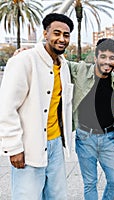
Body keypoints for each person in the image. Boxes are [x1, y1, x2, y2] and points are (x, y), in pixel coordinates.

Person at [0, 13, 74, 199]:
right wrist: (14, 147)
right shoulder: (24, 60)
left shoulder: (63, 65)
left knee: (57, 196)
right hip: (29, 144)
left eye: (66, 35)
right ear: (45, 33)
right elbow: (6, 107)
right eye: (56, 33)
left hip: (56, 143)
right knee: (28, 196)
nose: (61, 39)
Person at [69, 38, 114, 200]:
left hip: (109, 137)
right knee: (90, 183)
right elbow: (56, 61)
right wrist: (27, 53)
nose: (107, 62)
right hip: (84, 137)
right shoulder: (80, 70)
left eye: (112, 58)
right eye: (103, 57)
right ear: (95, 58)